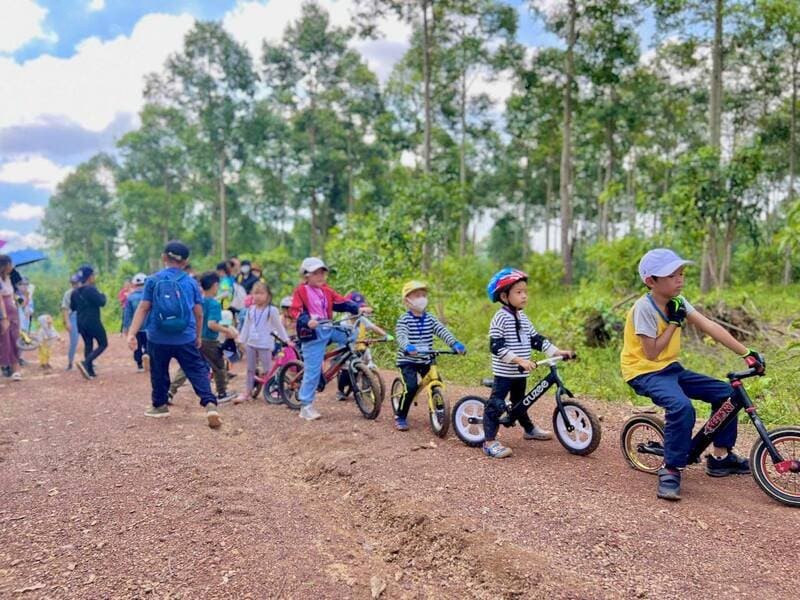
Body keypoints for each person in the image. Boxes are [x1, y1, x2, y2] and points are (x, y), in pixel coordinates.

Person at [621, 248, 765, 501]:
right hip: (644, 371)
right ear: (651, 281)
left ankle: (720, 458)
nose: (680, 279)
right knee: (681, 407)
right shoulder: (643, 308)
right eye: (672, 275)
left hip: (671, 369)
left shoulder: (678, 302)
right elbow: (652, 353)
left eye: (681, 274)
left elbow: (709, 326)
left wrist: (747, 353)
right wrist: (675, 323)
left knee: (728, 395)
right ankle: (671, 468)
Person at [126, 241, 223, 428]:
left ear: (164, 258)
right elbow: (199, 313)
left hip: (157, 337)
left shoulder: (153, 280)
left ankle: (160, 406)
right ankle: (210, 404)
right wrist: (197, 336)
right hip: (185, 337)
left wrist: (132, 333)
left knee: (159, 371)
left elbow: (143, 308)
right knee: (196, 370)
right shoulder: (191, 282)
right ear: (186, 262)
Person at [484, 269, 575, 458]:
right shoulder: (500, 318)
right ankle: (489, 441)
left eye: (525, 291)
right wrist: (519, 360)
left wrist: (557, 351)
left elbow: (537, 340)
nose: (524, 295)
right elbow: (496, 347)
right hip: (506, 372)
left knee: (520, 403)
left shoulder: (522, 317)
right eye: (518, 292)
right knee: (495, 403)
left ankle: (529, 430)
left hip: (520, 373)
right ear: (504, 296)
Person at [288, 257, 368, 421]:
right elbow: (295, 310)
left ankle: (341, 360)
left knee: (350, 333)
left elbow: (342, 302)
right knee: (312, 371)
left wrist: (358, 308)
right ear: (306, 276)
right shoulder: (301, 291)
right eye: (315, 273)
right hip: (312, 333)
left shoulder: (326, 290)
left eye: (322, 273)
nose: (320, 276)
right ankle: (306, 406)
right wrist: (306, 321)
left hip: (328, 328)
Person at [394, 281, 465, 431]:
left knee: (437, 381)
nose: (422, 298)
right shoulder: (404, 319)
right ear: (407, 300)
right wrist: (407, 346)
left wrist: (455, 344)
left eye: (424, 295)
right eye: (417, 295)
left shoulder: (430, 318)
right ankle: (400, 415)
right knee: (411, 387)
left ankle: (440, 411)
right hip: (408, 360)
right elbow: (401, 335)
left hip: (426, 358)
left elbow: (442, 331)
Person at [167, 271, 237, 404]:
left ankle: (170, 392)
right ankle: (221, 393)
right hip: (209, 341)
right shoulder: (214, 304)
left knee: (186, 367)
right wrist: (227, 331)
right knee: (219, 366)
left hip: (194, 338)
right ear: (215, 285)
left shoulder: (197, 302)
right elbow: (212, 324)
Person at [236, 281, 289, 403]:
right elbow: (246, 326)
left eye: (261, 293)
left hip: (265, 344)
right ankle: (247, 392)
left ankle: (274, 390)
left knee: (268, 369)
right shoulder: (251, 310)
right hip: (251, 343)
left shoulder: (272, 310)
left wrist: (286, 340)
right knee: (250, 369)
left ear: (268, 295)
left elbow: (279, 326)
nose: (258, 296)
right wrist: (241, 340)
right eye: (255, 293)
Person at [335, 291, 388, 402]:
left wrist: (386, 335)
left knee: (367, 366)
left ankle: (367, 389)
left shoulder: (362, 319)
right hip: (347, 351)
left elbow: (373, 327)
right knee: (347, 372)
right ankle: (340, 390)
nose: (358, 311)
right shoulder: (344, 321)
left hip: (361, 348)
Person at [70, 265, 108, 380]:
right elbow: (102, 302)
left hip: (80, 322)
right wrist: (103, 295)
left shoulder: (74, 292)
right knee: (103, 343)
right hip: (93, 321)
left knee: (88, 345)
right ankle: (86, 362)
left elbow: (73, 307)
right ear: (90, 277)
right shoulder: (91, 289)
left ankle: (90, 371)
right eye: (93, 275)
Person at [0, 254, 23, 381]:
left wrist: (21, 301)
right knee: (4, 340)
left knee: (14, 338)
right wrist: (3, 317)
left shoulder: (10, 277)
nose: (12, 266)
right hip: (3, 311)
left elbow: (15, 294)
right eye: (10, 264)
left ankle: (16, 369)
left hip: (13, 310)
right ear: (5, 265)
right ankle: (5, 366)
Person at [122, 273, 148, 372]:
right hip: (148, 327)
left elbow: (127, 314)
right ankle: (147, 355)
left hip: (136, 327)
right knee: (149, 344)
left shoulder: (130, 298)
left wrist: (126, 327)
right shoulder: (150, 296)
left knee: (136, 345)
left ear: (134, 285)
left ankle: (139, 364)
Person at [60, 274, 81, 371]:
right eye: (73, 283)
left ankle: (90, 361)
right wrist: (67, 322)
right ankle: (70, 363)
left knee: (88, 340)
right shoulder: (68, 293)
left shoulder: (84, 291)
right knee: (74, 341)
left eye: (76, 282)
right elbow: (65, 308)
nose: (75, 285)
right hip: (73, 316)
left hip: (83, 316)